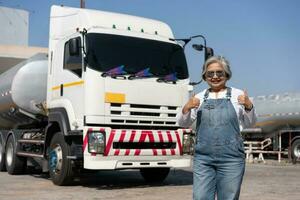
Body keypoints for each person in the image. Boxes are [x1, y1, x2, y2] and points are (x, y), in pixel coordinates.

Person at [177, 55, 256, 200]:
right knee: (200, 197)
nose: (215, 76)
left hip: (231, 158)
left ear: (226, 74)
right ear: (204, 76)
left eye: (219, 73)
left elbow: (250, 123)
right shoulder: (199, 98)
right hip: (203, 158)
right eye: (210, 73)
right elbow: (183, 123)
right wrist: (186, 108)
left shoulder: (238, 95)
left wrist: (249, 106)